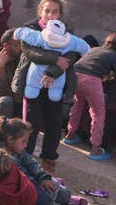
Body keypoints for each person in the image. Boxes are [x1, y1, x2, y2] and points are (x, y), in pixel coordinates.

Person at [14, 21, 90, 171]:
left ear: (60, 15)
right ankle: (25, 157)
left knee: (54, 125)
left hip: (57, 85)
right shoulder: (32, 30)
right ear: (41, 12)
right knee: (30, 123)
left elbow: (69, 59)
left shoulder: (69, 37)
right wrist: (55, 59)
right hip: (33, 85)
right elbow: (31, 53)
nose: (50, 14)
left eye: (54, 11)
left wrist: (52, 73)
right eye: (47, 10)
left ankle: (48, 158)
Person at [0, 117, 88, 205]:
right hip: (30, 190)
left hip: (35, 182)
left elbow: (31, 163)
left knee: (60, 191)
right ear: (10, 139)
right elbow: (21, 182)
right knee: (51, 202)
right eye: (23, 141)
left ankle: (62, 197)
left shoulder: (15, 149)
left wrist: (43, 177)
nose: (26, 145)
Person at [64, 32, 116, 160]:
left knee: (78, 105)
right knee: (98, 114)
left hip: (75, 76)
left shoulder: (94, 49)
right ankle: (95, 149)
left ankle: (70, 136)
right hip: (91, 80)